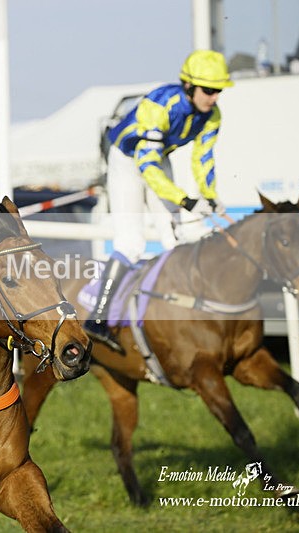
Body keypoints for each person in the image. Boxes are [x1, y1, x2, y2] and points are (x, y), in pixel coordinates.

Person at [88, 50, 233, 353]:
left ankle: (180, 316)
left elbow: (203, 158)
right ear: (190, 86)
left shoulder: (212, 114)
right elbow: (148, 167)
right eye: (208, 90)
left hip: (157, 158)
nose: (214, 97)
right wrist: (185, 199)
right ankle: (98, 317)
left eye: (218, 90)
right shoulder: (160, 105)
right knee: (132, 242)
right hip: (127, 159)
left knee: (175, 237)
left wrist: (209, 195)